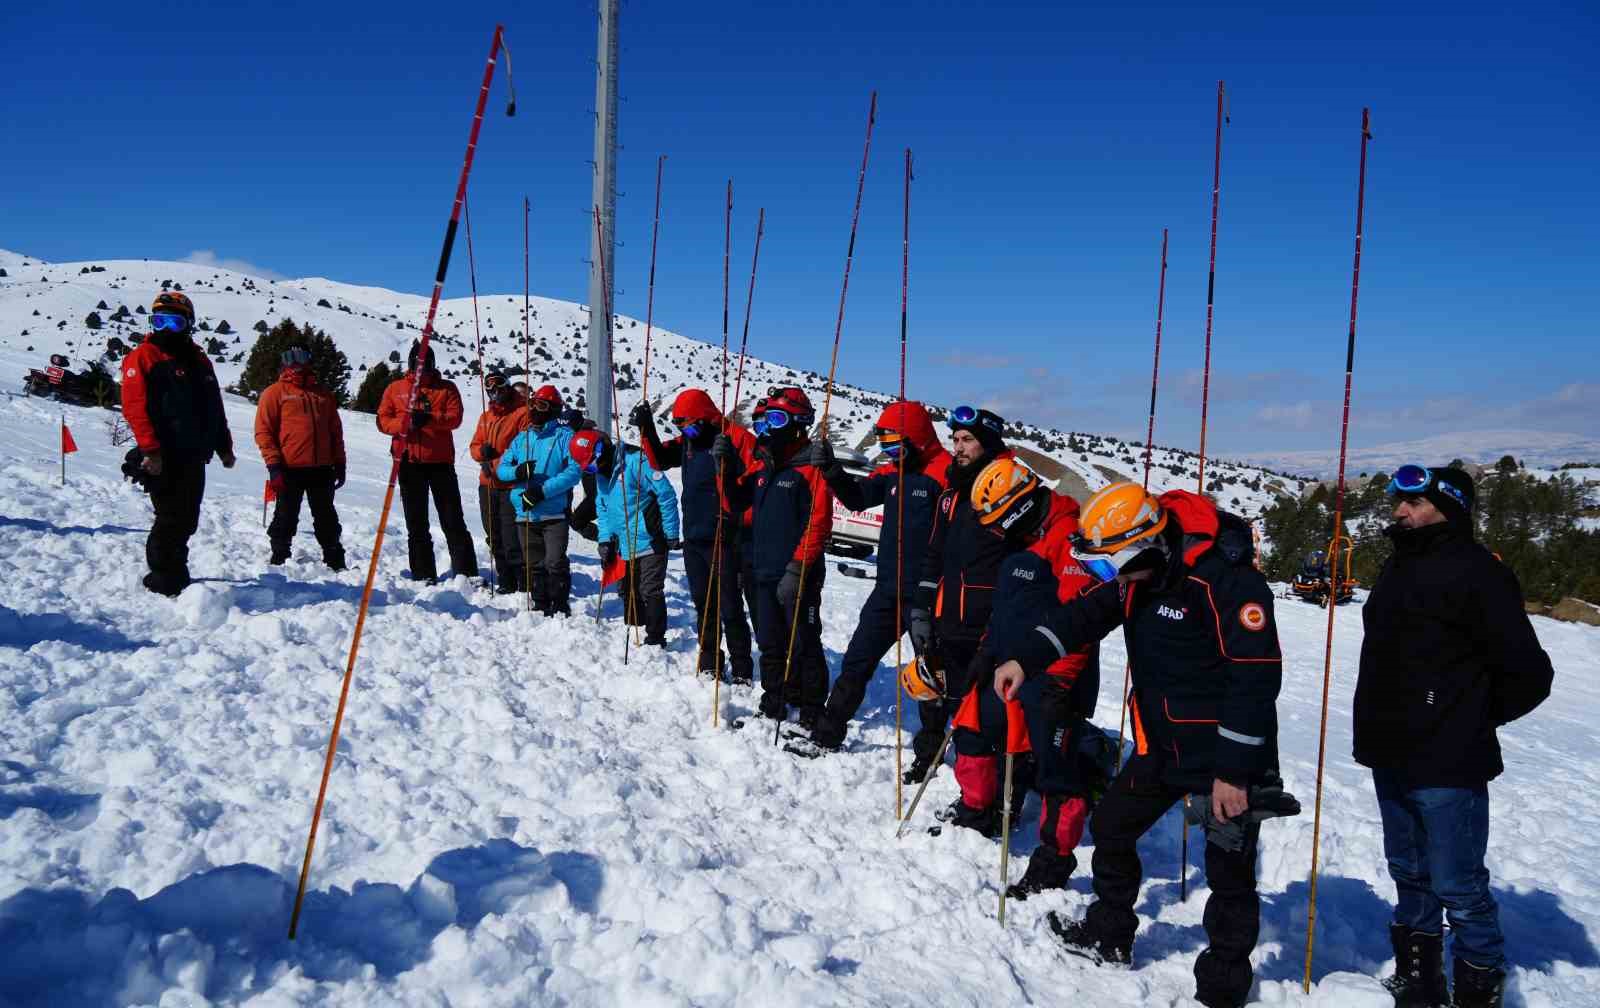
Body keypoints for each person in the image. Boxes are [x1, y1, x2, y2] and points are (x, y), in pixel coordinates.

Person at [992, 482, 1287, 1008]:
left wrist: (1236, 772)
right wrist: (1025, 659)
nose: (1107, 578)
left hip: (1226, 758)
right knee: (1112, 826)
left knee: (1229, 874)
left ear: (1145, 546)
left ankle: (1222, 988)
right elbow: (1079, 617)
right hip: (1165, 748)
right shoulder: (1133, 577)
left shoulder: (1225, 582)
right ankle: (1109, 933)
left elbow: (1256, 679)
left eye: (1110, 567)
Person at [1355, 465, 1553, 1008]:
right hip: (1389, 753)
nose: (1399, 511)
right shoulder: (1400, 564)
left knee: (1458, 887)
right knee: (1409, 874)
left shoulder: (1478, 572)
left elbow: (1532, 674)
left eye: (1414, 504)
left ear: (1449, 509)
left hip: (1447, 763)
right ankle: (1419, 980)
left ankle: (1477, 988)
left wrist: (1464, 719)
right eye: (1399, 501)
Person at [941, 458, 1108, 902]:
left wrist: (1058, 684)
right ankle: (979, 809)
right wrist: (984, 653)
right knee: (972, 730)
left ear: (1017, 509)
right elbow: (1006, 611)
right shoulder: (1021, 543)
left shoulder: (1069, 541)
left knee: (1056, 771)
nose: (995, 533)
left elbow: (1081, 624)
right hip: (1005, 667)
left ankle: (1055, 857)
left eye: (999, 523)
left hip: (1053, 679)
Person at [788, 400, 952, 755]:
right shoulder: (893, 471)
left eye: (896, 444)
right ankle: (827, 733)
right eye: (886, 446)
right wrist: (831, 470)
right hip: (887, 590)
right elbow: (858, 499)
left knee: (929, 675)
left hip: (927, 596)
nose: (890, 453)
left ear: (917, 438)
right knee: (857, 659)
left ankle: (929, 754)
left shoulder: (945, 474)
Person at [906, 405, 1014, 783]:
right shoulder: (950, 494)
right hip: (946, 613)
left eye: (967, 439)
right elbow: (933, 553)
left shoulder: (1011, 491)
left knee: (980, 707)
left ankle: (988, 781)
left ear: (988, 443)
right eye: (954, 439)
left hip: (986, 622)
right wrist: (920, 607)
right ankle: (929, 754)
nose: (958, 447)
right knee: (934, 690)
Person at [717, 387, 833, 727]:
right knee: (769, 640)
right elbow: (736, 502)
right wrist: (723, 469)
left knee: (804, 641)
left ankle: (811, 706)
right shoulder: (763, 463)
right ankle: (775, 698)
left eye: (778, 419)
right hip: (761, 569)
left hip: (798, 572)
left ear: (799, 424)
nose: (770, 427)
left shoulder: (812, 465)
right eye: (767, 419)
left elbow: (819, 521)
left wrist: (798, 568)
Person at [633, 389, 759, 683]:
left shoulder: (736, 439)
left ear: (706, 418)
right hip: (695, 537)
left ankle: (742, 667)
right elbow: (660, 460)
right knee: (704, 603)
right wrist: (647, 427)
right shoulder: (689, 440)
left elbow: (755, 485)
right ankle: (710, 660)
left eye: (689, 425)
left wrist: (741, 522)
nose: (686, 432)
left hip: (726, 536)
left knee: (729, 605)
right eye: (681, 427)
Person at [121, 291, 236, 595]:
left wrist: (224, 446)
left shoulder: (199, 360)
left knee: (187, 517)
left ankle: (176, 571)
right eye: (160, 321)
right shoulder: (144, 356)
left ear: (188, 324)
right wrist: (150, 450)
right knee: (170, 517)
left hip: (194, 454)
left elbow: (214, 406)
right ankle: (163, 578)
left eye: (174, 321)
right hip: (163, 454)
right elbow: (134, 406)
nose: (166, 329)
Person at [377, 340, 478, 583]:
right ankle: (423, 574)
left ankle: (467, 573)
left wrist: (430, 419)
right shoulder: (395, 388)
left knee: (453, 519)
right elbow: (382, 420)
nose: (423, 369)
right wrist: (405, 425)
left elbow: (455, 418)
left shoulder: (447, 388)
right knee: (416, 522)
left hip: (441, 462)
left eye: (427, 364)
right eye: (418, 364)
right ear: (411, 364)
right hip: (409, 462)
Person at [568, 430, 681, 645]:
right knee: (628, 589)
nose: (593, 470)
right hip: (624, 543)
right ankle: (634, 627)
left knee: (650, 589)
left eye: (592, 464)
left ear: (601, 450)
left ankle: (656, 639)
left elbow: (666, 494)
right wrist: (604, 541)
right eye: (588, 469)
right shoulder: (601, 476)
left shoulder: (636, 462)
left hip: (650, 539)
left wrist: (671, 533)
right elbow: (603, 510)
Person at [254, 344, 346, 570]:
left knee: (326, 516)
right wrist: (274, 466)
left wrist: (340, 462)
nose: (296, 364)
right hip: (288, 467)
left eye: (301, 358)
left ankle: (334, 557)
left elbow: (335, 432)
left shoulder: (322, 394)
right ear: (283, 362)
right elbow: (263, 431)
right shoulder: (275, 393)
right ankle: (279, 556)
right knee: (285, 515)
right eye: (290, 357)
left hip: (322, 468)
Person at [496, 385, 584, 614]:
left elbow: (574, 472)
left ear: (553, 410)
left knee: (554, 561)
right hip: (524, 510)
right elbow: (501, 469)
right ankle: (541, 605)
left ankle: (560, 605)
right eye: (532, 403)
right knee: (533, 563)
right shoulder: (522, 438)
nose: (535, 409)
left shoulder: (566, 437)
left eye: (541, 405)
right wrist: (517, 472)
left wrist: (542, 491)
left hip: (553, 512)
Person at [467, 373, 530, 593]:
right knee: (492, 533)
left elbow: (524, 449)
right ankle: (505, 578)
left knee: (511, 535)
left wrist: (496, 459)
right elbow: (474, 444)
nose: (495, 394)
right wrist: (481, 454)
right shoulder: (486, 417)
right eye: (490, 391)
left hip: (510, 485)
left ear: (507, 388)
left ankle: (521, 580)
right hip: (487, 484)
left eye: (499, 389)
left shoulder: (522, 414)